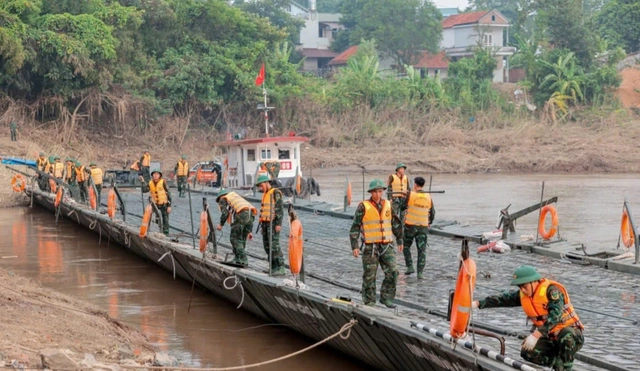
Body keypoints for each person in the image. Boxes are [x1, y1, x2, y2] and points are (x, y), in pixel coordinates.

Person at [472, 266, 584, 371]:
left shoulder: (552, 291)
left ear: (533, 281)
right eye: (520, 287)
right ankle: (558, 364)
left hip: (572, 335)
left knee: (566, 335)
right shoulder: (524, 295)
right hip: (550, 337)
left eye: (524, 287)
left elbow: (555, 317)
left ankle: (566, 367)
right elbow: (503, 299)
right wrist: (478, 303)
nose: (523, 290)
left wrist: (536, 335)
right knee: (527, 351)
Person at [349, 179, 402, 308]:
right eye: (375, 192)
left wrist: (400, 239)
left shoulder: (388, 205)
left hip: (386, 246)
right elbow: (355, 227)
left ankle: (386, 298)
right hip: (370, 247)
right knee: (369, 275)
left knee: (393, 271)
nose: (378, 194)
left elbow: (396, 223)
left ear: (383, 191)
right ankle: (369, 301)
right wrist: (355, 246)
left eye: (380, 191)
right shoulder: (363, 206)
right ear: (371, 192)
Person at [398, 176, 435, 279]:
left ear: (415, 184)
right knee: (422, 250)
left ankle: (410, 266)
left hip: (410, 226)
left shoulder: (411, 195)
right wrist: (429, 222)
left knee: (405, 246)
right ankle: (420, 273)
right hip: (423, 227)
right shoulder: (428, 196)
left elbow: (402, 207)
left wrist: (404, 196)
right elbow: (432, 213)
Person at [216, 189, 256, 267]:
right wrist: (249, 231)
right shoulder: (235, 197)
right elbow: (247, 212)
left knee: (234, 238)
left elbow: (225, 213)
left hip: (241, 215)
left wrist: (221, 224)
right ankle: (239, 259)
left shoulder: (223, 199)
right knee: (242, 239)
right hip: (250, 216)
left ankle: (242, 258)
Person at [255, 174, 285, 276]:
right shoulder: (265, 194)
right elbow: (263, 210)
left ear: (266, 183)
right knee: (267, 246)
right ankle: (273, 266)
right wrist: (261, 225)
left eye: (261, 185)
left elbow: (280, 210)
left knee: (274, 245)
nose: (260, 187)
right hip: (265, 223)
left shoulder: (275, 193)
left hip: (273, 223)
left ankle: (280, 267)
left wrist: (278, 224)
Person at [140, 171, 172, 236]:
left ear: (160, 175)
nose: (155, 175)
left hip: (163, 203)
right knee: (149, 215)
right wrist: (142, 181)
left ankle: (166, 233)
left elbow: (169, 194)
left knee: (165, 219)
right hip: (154, 204)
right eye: (154, 174)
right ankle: (146, 229)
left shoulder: (163, 182)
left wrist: (169, 206)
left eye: (157, 174)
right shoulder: (150, 183)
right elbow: (144, 190)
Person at [387, 163, 409, 240]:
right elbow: (389, 188)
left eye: (403, 169)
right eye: (402, 169)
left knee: (403, 215)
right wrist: (389, 198)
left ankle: (402, 231)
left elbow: (408, 188)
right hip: (395, 198)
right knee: (394, 214)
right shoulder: (392, 177)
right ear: (398, 169)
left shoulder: (406, 177)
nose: (403, 170)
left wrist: (408, 198)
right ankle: (393, 229)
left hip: (403, 198)